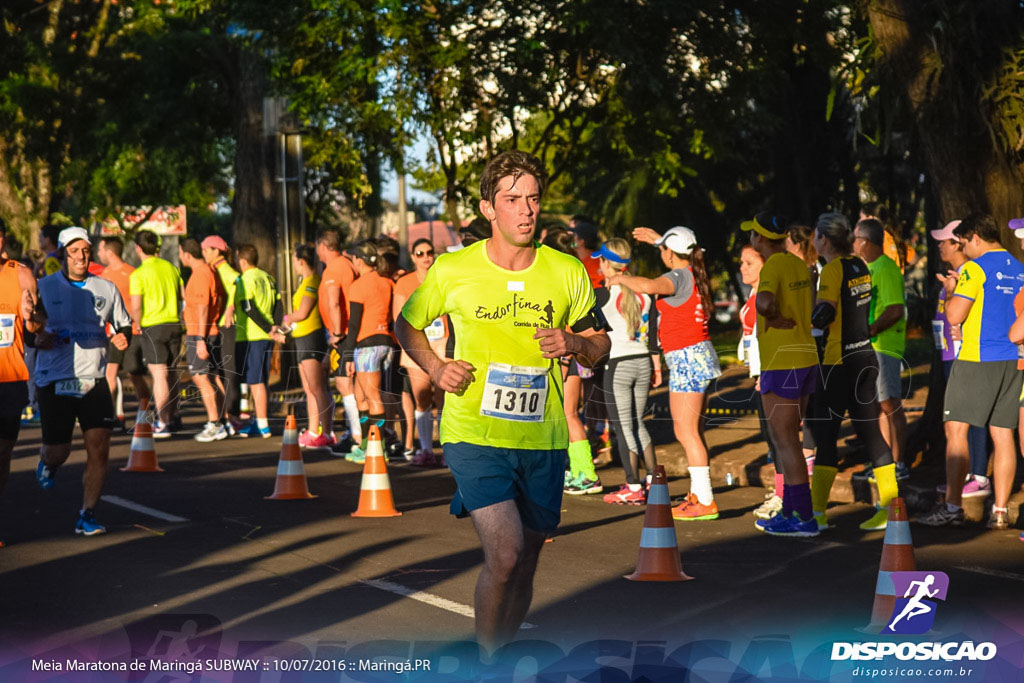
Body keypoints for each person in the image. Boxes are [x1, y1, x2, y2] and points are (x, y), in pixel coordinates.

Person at [395, 150, 610, 654]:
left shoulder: (566, 271)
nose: (525, 210)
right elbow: (408, 323)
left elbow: (600, 343)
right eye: (512, 200)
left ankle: (501, 654)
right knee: (507, 552)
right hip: (474, 432)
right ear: (488, 208)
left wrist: (575, 344)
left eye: (532, 199)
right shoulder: (452, 269)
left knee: (528, 558)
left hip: (544, 436)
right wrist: (435, 366)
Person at [609, 226, 722, 521]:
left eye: (662, 250)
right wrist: (659, 239)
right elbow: (678, 249)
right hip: (693, 357)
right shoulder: (690, 271)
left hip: (688, 358)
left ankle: (705, 500)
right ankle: (700, 494)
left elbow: (647, 285)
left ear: (671, 253)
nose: (661, 254)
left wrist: (620, 278)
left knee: (686, 432)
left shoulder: (678, 276)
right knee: (689, 431)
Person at [920, 214, 1024, 528]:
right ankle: (1001, 511)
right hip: (1012, 358)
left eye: (965, 243)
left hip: (977, 358)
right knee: (1003, 434)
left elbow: (953, 315)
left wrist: (952, 289)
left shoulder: (974, 270)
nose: (965, 250)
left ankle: (952, 507)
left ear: (976, 237)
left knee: (955, 429)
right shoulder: (1020, 268)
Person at [33, 227, 132, 535]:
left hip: (95, 377)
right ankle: (47, 462)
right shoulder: (43, 287)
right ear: (63, 253)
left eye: (85, 250)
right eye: (74, 251)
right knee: (59, 451)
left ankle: (87, 514)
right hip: (56, 377)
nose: (81, 256)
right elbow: (29, 326)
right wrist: (37, 338)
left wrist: (122, 337)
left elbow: (124, 323)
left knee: (99, 446)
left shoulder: (106, 287)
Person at [808, 213, 899, 531]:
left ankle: (817, 513)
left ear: (823, 238)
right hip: (864, 355)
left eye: (814, 235)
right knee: (872, 434)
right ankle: (890, 509)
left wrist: (805, 319)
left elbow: (825, 313)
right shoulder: (860, 265)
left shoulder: (832, 270)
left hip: (838, 363)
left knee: (827, 437)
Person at [744, 213, 819, 537]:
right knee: (791, 439)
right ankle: (791, 510)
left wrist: (772, 315)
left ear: (760, 239)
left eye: (753, 236)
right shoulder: (799, 264)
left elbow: (764, 300)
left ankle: (803, 516)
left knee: (785, 441)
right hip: (805, 355)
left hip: (782, 359)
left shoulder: (773, 265)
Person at [591, 239, 661, 505]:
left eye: (601, 261)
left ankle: (633, 485)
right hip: (642, 361)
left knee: (622, 427)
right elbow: (653, 333)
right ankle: (654, 480)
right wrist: (656, 366)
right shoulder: (644, 291)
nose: (599, 265)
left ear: (609, 264)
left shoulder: (601, 294)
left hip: (618, 364)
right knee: (638, 423)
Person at [930, 221, 991, 499]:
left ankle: (978, 476)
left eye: (945, 240)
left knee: (970, 417)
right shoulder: (956, 273)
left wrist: (953, 290)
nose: (940, 245)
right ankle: (962, 476)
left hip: (963, 354)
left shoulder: (971, 272)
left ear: (959, 244)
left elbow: (962, 314)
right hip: (948, 353)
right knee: (956, 421)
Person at [543, 228, 603, 495]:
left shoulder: (558, 278)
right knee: (567, 413)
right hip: (575, 352)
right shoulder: (576, 273)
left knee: (568, 414)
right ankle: (579, 469)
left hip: (568, 352)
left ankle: (586, 472)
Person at [852, 218, 909, 481]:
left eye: (855, 238)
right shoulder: (867, 268)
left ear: (865, 241)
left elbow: (895, 309)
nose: (852, 244)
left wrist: (871, 329)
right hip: (870, 346)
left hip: (884, 346)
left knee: (889, 404)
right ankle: (884, 464)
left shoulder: (885, 268)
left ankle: (899, 463)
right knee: (876, 406)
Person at [0, 217, 43, 547]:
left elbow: (36, 330)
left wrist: (32, 318)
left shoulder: (20, 274)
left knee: (3, 454)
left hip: (9, 378)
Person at [737, 244, 784, 520]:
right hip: (758, 373)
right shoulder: (754, 293)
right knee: (771, 437)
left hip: (770, 373)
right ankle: (781, 491)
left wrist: (766, 371)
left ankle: (784, 495)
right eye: (742, 262)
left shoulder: (769, 294)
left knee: (779, 438)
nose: (742, 267)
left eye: (749, 263)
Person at [340, 240, 396, 463]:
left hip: (367, 345)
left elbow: (354, 325)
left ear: (358, 260)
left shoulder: (358, 286)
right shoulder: (387, 283)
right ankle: (365, 446)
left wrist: (346, 355)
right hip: (385, 342)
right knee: (361, 396)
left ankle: (377, 449)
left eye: (354, 257)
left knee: (372, 396)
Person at [273, 244, 333, 448]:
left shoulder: (312, 281)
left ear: (300, 261)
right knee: (309, 388)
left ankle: (326, 432)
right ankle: (313, 430)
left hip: (311, 338)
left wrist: (286, 320)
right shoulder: (306, 281)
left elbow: (304, 311)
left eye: (294, 260)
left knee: (317, 388)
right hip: (302, 337)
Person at [393, 238, 447, 466]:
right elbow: (397, 317)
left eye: (429, 252)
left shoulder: (443, 277)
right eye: (420, 253)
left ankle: (447, 450)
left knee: (444, 397)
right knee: (421, 395)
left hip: (442, 341)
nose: (426, 257)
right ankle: (425, 449)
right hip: (417, 342)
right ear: (413, 256)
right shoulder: (404, 283)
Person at [129, 230, 184, 438]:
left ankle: (162, 422)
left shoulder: (139, 274)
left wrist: (137, 322)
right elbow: (182, 296)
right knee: (171, 372)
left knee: (159, 374)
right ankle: (174, 415)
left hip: (153, 325)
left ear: (138, 248)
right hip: (173, 323)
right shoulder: (172, 268)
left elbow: (136, 306)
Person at [179, 237, 227, 442]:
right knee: (214, 376)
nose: (180, 257)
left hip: (201, 332)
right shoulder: (208, 272)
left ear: (187, 255)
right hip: (209, 331)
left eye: (181, 253)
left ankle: (214, 423)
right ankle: (222, 421)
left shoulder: (200, 274)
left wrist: (200, 338)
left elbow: (203, 308)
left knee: (200, 376)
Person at [95, 236, 147, 429]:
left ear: (110, 252)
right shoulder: (102, 276)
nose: (99, 254)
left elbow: (138, 304)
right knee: (110, 374)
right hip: (111, 334)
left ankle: (145, 413)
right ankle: (111, 417)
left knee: (135, 375)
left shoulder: (132, 273)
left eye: (101, 250)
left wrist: (137, 323)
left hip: (132, 332)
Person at [316, 228, 358, 449]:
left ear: (323, 246)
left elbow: (334, 302)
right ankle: (355, 433)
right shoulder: (346, 263)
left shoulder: (335, 268)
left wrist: (337, 332)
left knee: (344, 384)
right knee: (347, 383)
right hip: (347, 331)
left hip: (342, 333)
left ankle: (355, 434)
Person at [233, 243, 279, 439]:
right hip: (265, 335)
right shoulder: (267, 276)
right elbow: (278, 303)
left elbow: (248, 308)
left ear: (242, 261)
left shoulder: (247, 278)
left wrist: (270, 329)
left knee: (256, 381)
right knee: (259, 381)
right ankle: (258, 421)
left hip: (253, 335)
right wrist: (276, 327)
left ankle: (262, 425)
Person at [201, 236, 242, 433]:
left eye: (207, 250)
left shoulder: (223, 268)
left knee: (227, 371)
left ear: (217, 251)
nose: (204, 254)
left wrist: (230, 308)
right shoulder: (214, 268)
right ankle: (228, 415)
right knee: (222, 371)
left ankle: (232, 416)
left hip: (227, 325)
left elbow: (237, 282)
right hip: (219, 326)